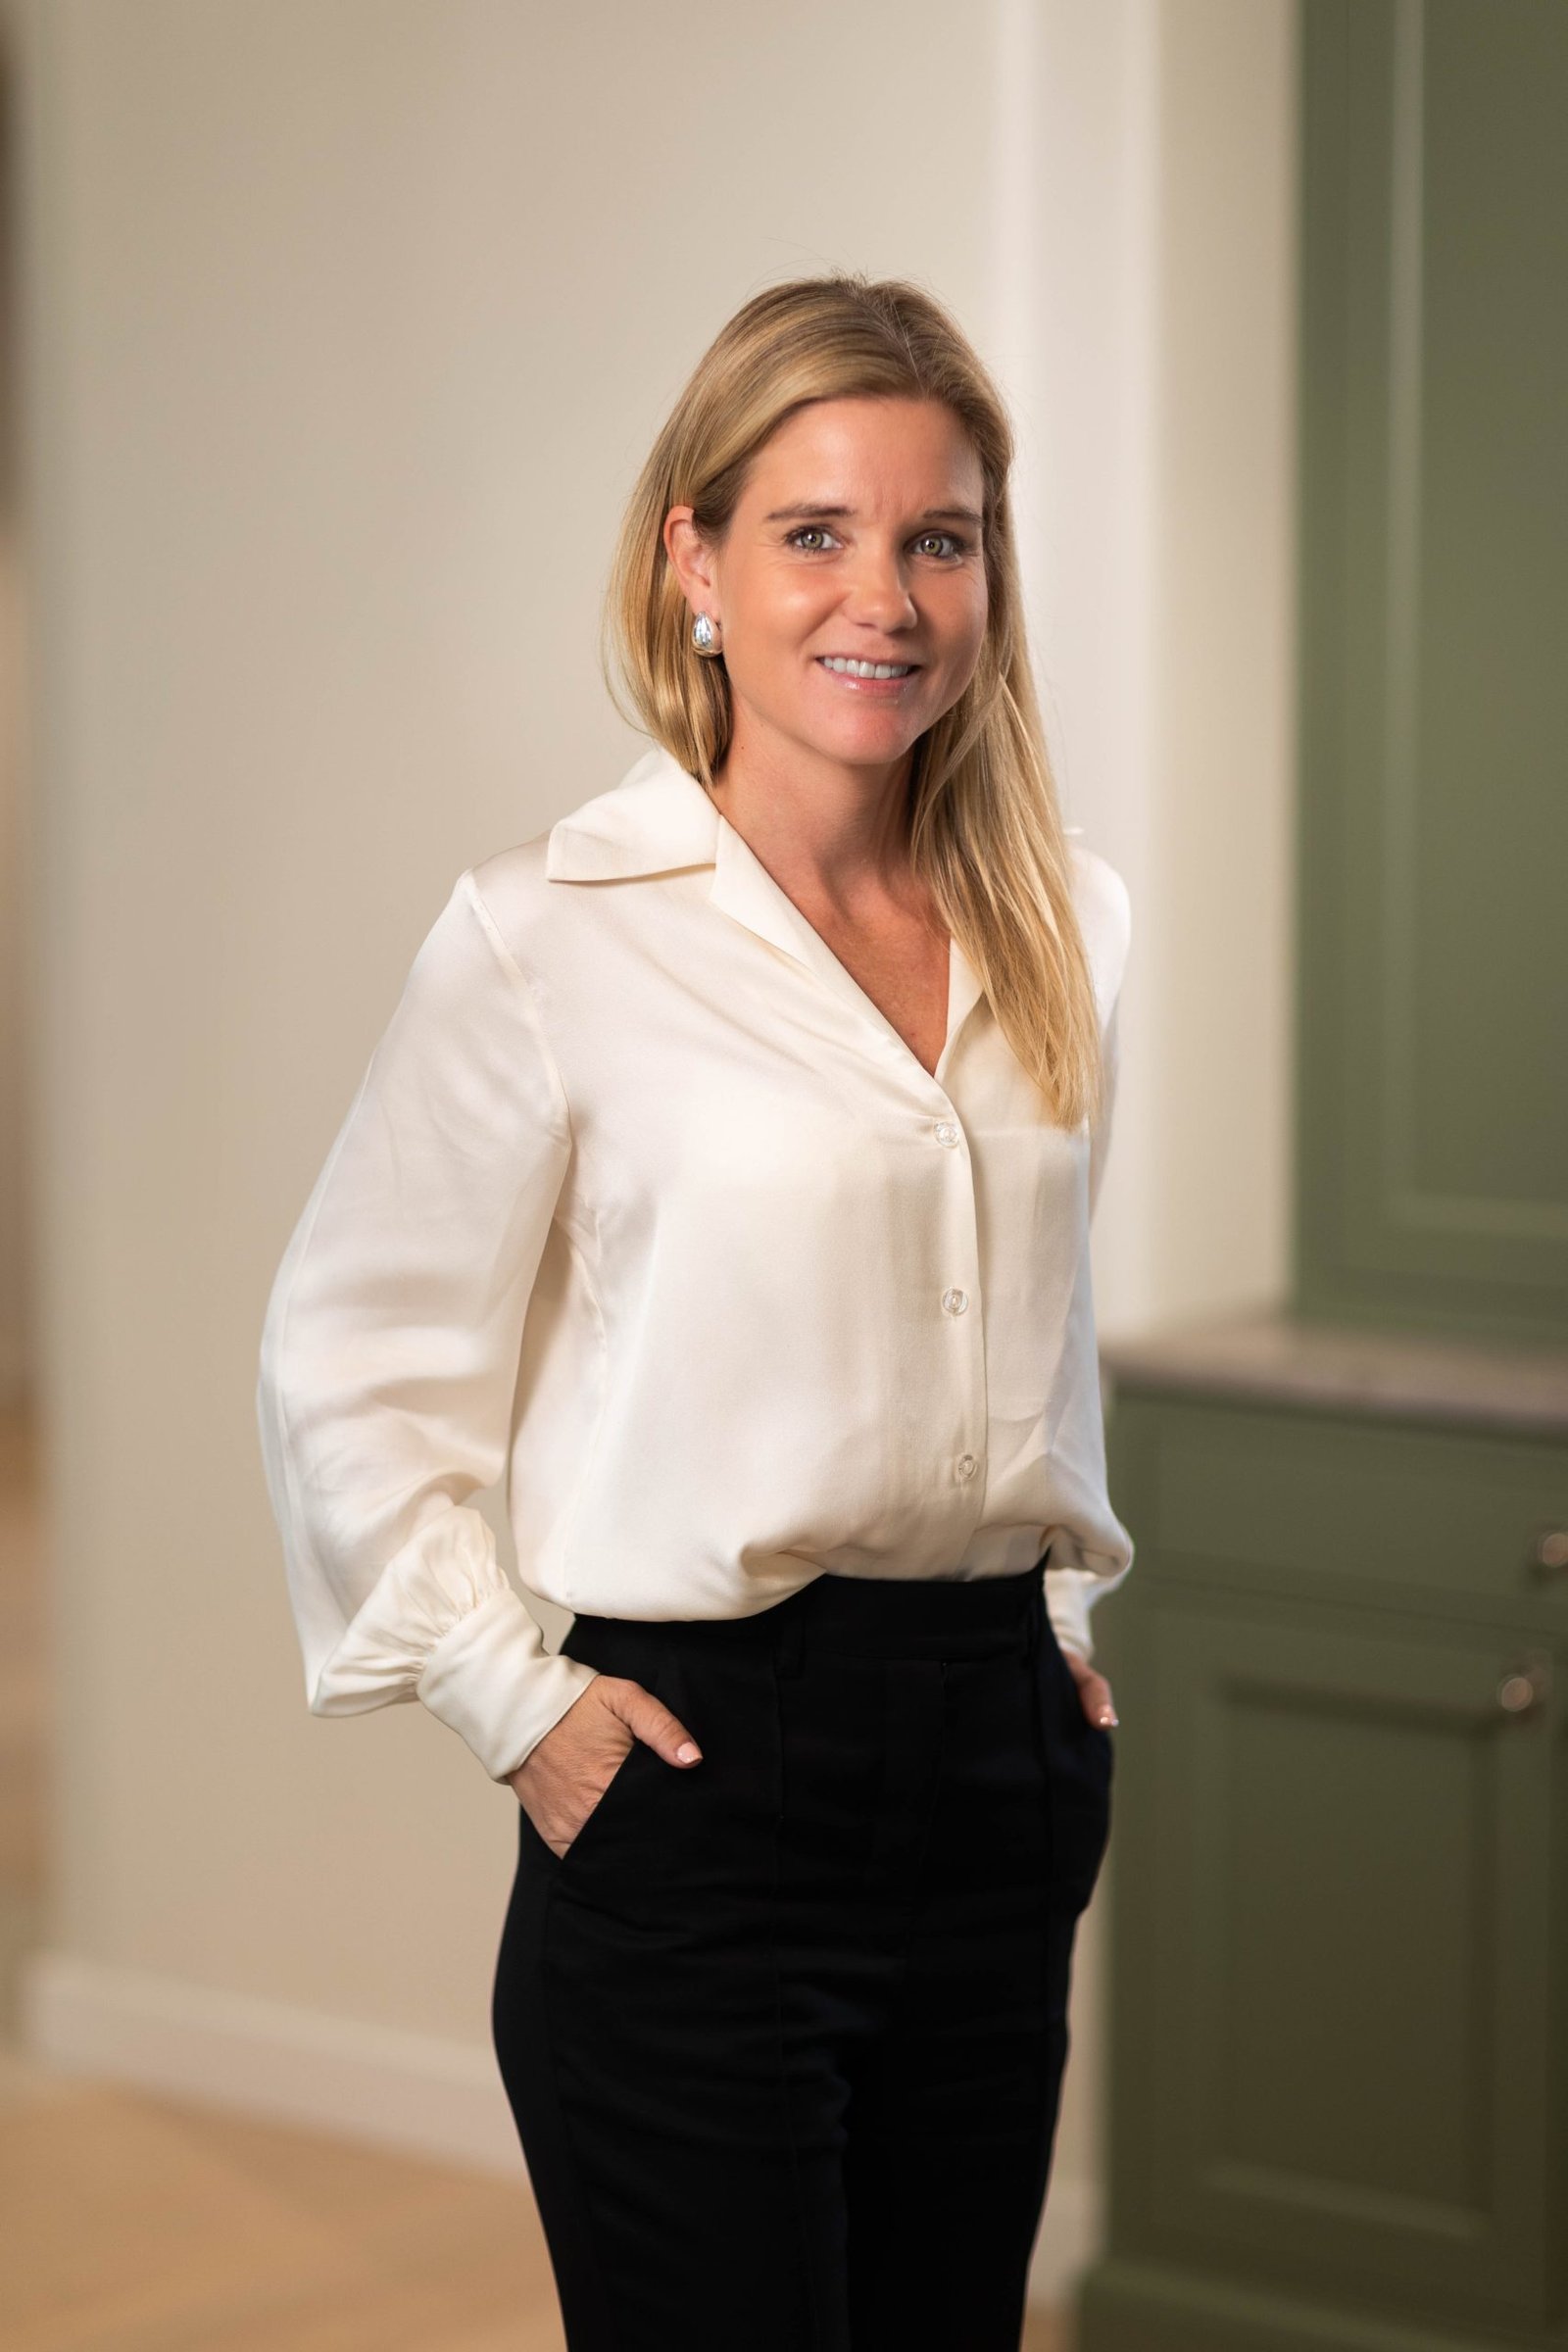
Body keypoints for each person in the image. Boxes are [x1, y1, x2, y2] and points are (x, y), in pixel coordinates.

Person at [256, 270, 1132, 2352]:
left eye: (939, 539)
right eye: (814, 532)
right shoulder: (543, 935)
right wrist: (514, 1706)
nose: (886, 598)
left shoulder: (1064, 921)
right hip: (695, 1774)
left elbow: (1023, 1333)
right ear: (694, 567)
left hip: (992, 1773)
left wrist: (1056, 1632)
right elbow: (345, 1362)